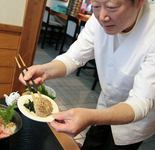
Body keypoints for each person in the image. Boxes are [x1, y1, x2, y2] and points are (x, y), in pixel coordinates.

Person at [19, 0, 155, 149]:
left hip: (134, 120)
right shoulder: (97, 21)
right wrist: (45, 70)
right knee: (92, 142)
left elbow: (140, 102)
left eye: (112, 7)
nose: (102, 16)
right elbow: (73, 57)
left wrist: (90, 117)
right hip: (105, 104)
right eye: (96, 6)